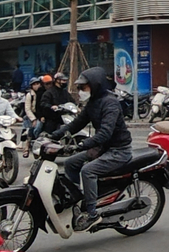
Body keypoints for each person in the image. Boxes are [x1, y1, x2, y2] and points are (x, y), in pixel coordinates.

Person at [55, 67, 135, 230]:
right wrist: (53, 136)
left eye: (83, 87)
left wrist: (82, 145)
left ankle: (92, 214)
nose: (80, 91)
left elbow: (105, 132)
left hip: (119, 150)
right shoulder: (92, 103)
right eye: (79, 88)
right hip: (103, 149)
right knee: (70, 163)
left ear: (95, 85)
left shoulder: (110, 103)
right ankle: (78, 201)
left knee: (88, 171)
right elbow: (76, 124)